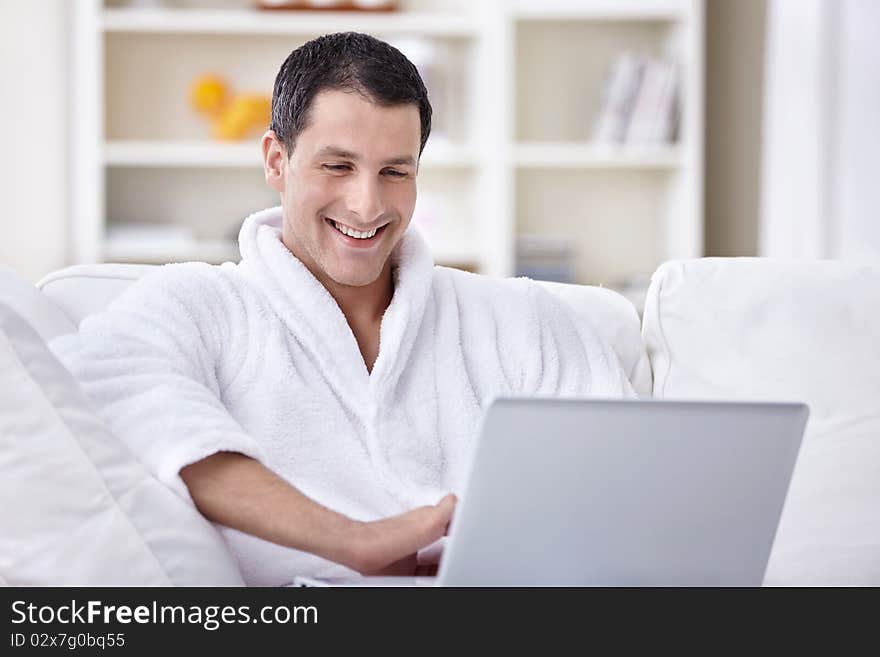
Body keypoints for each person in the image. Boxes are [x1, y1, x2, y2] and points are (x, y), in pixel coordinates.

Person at [50, 32, 634, 586]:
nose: (367, 204)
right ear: (277, 161)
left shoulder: (521, 319)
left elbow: (628, 475)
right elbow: (100, 387)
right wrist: (350, 538)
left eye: (394, 172)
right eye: (338, 166)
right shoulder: (199, 305)